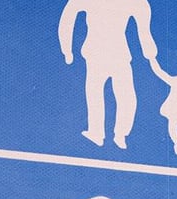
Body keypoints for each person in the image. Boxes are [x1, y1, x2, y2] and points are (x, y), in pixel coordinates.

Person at [58, 0, 158, 149]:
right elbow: (68, 17)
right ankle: (101, 132)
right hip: (101, 52)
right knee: (102, 93)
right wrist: (66, 50)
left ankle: (114, 134)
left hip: (113, 53)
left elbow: (144, 29)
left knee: (120, 95)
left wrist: (150, 53)